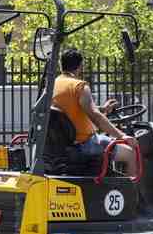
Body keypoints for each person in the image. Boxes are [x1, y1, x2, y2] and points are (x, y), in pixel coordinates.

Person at [52, 48, 138, 177]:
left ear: (61, 65)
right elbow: (95, 116)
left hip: (61, 146)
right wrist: (122, 136)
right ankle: (131, 194)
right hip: (83, 144)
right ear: (80, 66)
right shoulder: (79, 86)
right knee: (130, 153)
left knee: (106, 141)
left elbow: (73, 108)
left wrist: (102, 109)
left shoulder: (53, 85)